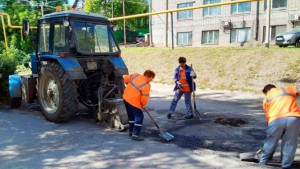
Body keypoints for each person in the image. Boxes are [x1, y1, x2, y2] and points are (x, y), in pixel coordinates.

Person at [259, 84, 300, 169]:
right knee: (290, 143)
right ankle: (286, 165)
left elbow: (267, 116)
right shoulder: (289, 88)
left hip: (276, 119)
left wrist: (272, 129)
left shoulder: (266, 98)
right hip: (293, 118)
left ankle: (263, 161)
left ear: (267, 91)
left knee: (271, 140)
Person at [123, 70, 155, 141]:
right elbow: (144, 98)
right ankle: (135, 135)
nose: (151, 80)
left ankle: (131, 132)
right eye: (151, 78)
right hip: (133, 101)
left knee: (131, 116)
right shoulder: (146, 85)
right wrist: (142, 105)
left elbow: (126, 78)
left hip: (126, 98)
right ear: (147, 76)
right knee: (139, 117)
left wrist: (127, 84)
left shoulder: (136, 75)